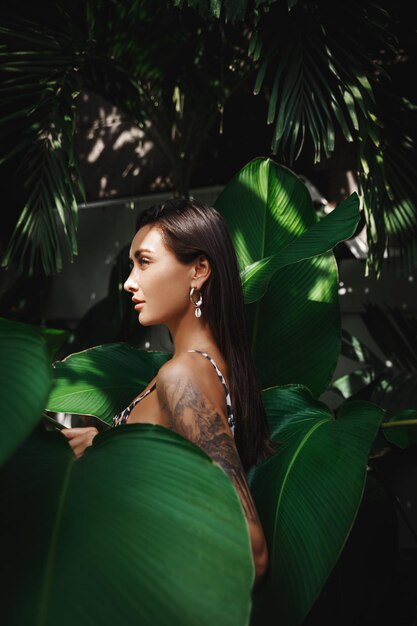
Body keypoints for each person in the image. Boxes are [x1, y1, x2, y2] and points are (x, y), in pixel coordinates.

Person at [62, 197, 275, 587]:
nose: (129, 281)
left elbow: (250, 549)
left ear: (199, 269)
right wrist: (102, 445)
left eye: (144, 262)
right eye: (131, 265)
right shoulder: (204, 368)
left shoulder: (184, 377)